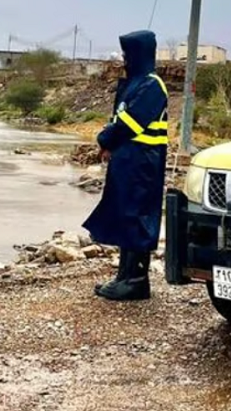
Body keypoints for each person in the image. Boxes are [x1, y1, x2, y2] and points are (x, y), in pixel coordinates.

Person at [83, 29, 170, 302]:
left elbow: (131, 122)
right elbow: (119, 119)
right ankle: (123, 277)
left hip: (143, 162)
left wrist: (105, 139)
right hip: (128, 159)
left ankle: (136, 281)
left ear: (139, 54)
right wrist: (110, 145)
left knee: (136, 215)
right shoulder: (135, 82)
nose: (123, 59)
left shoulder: (152, 85)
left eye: (127, 54)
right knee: (123, 213)